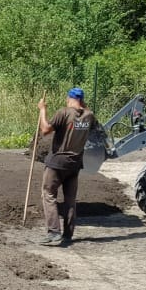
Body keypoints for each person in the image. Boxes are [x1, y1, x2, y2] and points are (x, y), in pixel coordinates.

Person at [35, 87, 99, 245]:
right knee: (70, 199)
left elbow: (45, 130)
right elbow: (94, 130)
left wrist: (42, 110)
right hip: (75, 164)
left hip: (57, 163)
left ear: (69, 98)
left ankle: (53, 233)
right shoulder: (90, 116)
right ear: (82, 99)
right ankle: (68, 234)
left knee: (48, 194)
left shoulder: (63, 112)